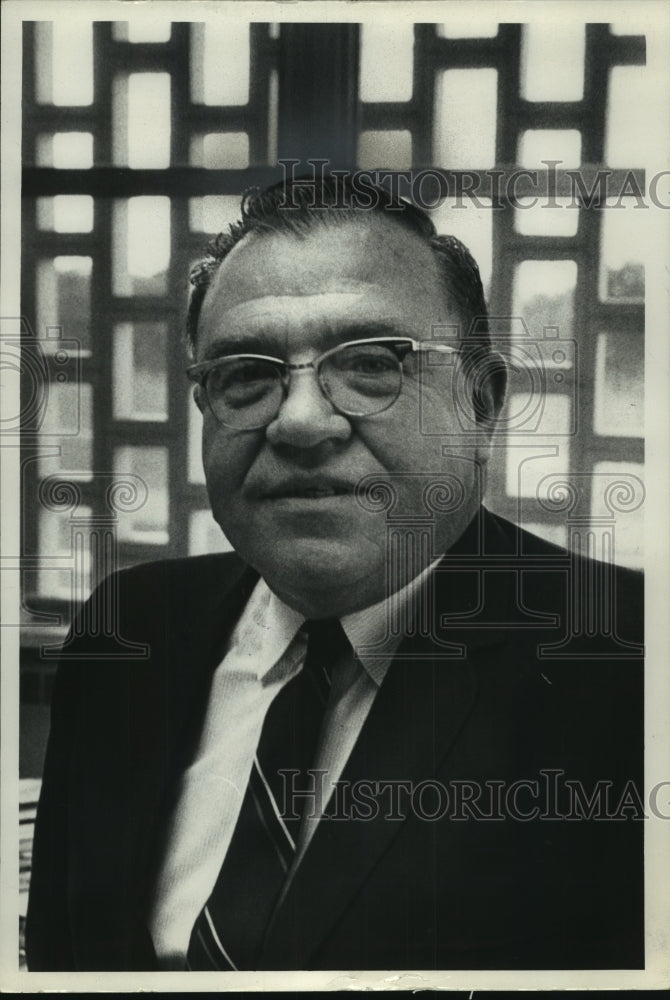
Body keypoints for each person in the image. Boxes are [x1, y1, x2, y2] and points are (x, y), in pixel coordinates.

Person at [26, 175, 644, 972]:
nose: (302, 422)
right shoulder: (131, 627)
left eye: (372, 364)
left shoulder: (627, 663)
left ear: (483, 402)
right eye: (246, 374)